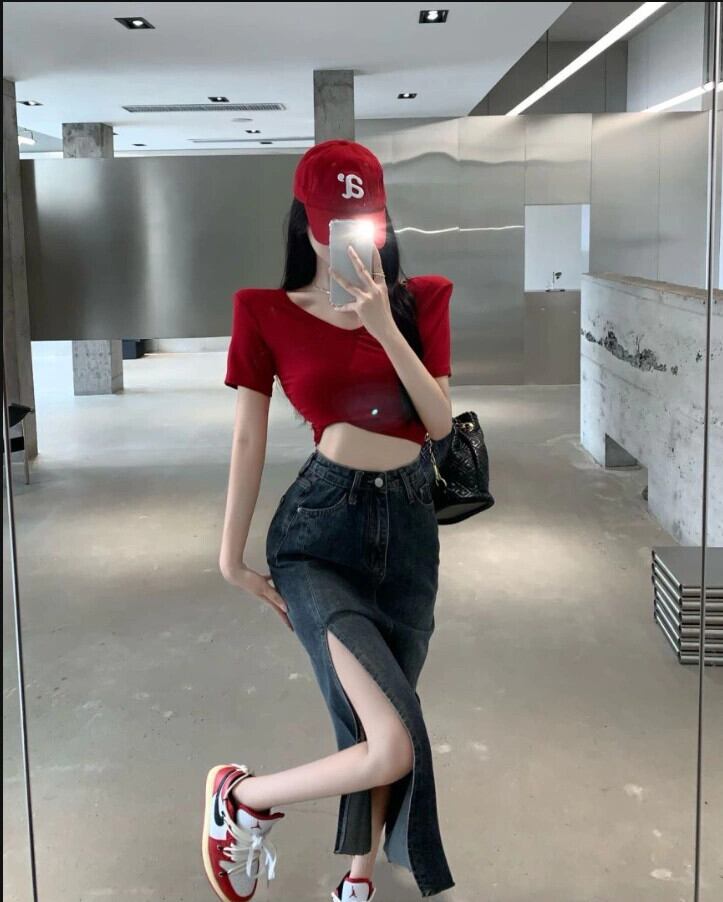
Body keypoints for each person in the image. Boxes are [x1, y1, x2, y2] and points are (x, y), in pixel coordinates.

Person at [202, 139, 455, 902]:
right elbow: (247, 437)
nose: (343, 237)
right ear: (303, 221)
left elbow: (438, 422)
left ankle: (357, 878)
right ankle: (241, 798)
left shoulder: (422, 298)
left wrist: (382, 323)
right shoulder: (264, 311)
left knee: (374, 720)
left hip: (408, 532)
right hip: (318, 536)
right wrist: (230, 558)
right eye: (329, 224)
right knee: (392, 740)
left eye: (360, 221)